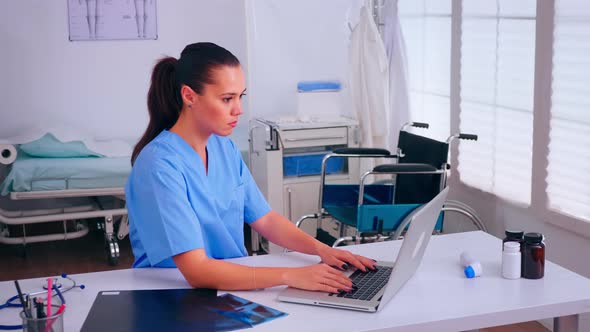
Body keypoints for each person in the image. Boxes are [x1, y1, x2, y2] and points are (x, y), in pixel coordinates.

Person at [125, 42, 376, 294]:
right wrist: (292, 275)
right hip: (172, 294)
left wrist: (322, 250)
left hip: (233, 284)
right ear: (189, 96)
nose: (238, 109)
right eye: (227, 99)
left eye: (240, 96)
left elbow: (264, 219)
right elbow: (196, 271)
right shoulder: (159, 165)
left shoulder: (225, 148)